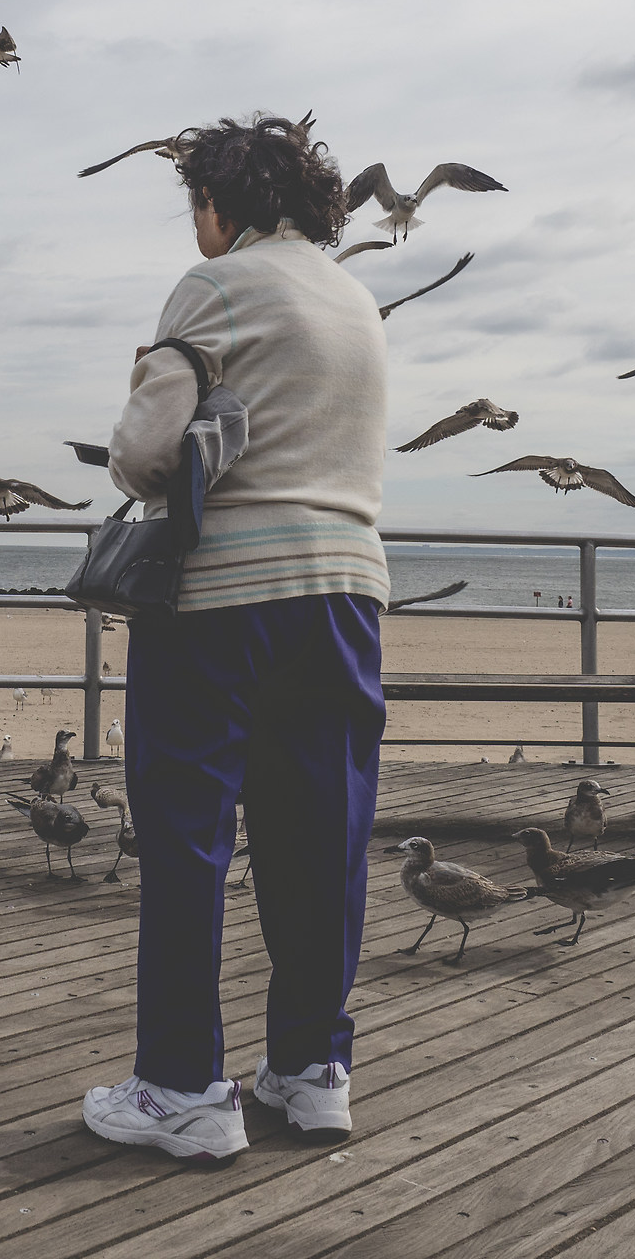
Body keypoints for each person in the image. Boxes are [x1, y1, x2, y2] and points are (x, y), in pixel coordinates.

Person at [80, 114, 388, 1162]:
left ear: (223, 204)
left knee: (189, 842)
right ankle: (312, 1072)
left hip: (225, 601)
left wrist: (145, 381)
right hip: (346, 591)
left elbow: (147, 456)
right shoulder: (356, 296)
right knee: (321, 840)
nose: (195, 222)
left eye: (196, 203)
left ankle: (182, 1091)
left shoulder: (213, 288)